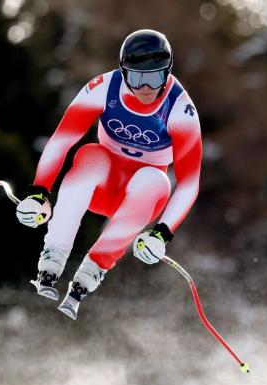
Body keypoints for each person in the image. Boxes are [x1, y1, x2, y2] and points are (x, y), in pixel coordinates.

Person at [15, 29, 202, 320]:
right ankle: (53, 255)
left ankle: (94, 268)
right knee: (91, 155)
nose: (145, 88)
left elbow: (190, 182)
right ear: (122, 71)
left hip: (139, 198)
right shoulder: (103, 87)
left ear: (168, 72)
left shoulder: (179, 108)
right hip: (101, 184)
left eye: (155, 77)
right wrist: (39, 191)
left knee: (156, 181)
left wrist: (162, 232)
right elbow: (62, 140)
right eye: (136, 77)